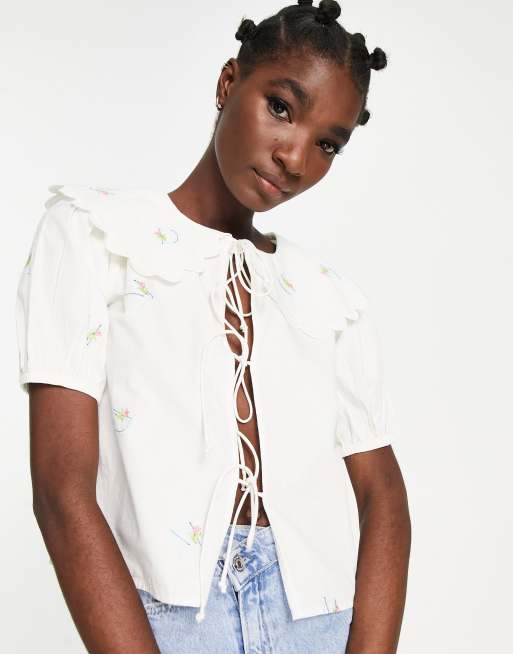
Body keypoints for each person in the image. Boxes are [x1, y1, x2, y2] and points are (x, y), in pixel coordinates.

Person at [15, 1, 411, 652]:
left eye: (327, 144)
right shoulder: (96, 234)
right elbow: (61, 492)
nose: (294, 158)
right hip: (170, 621)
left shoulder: (328, 297)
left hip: (317, 622)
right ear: (229, 82)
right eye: (281, 107)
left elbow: (382, 492)